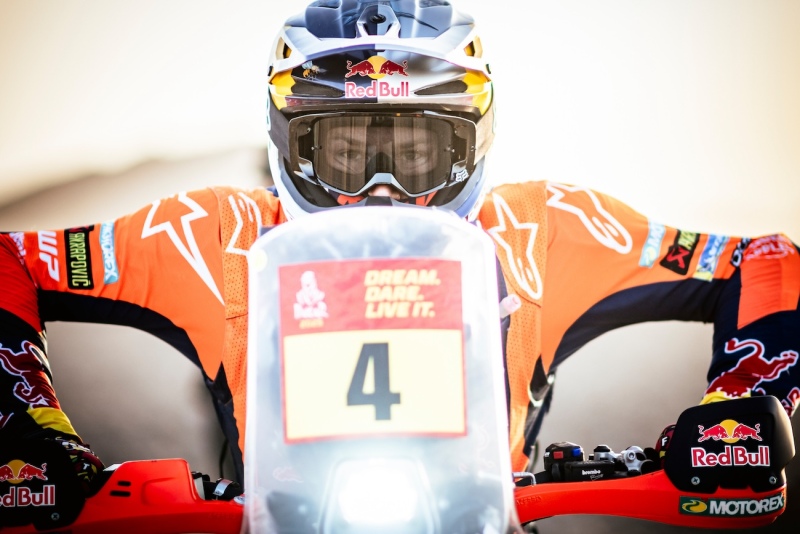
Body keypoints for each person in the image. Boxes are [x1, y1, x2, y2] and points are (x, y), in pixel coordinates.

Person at [1, 0, 798, 503]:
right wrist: (32, 424)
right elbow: (12, 258)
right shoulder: (213, 232)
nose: (381, 187)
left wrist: (738, 401)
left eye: (417, 153)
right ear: (290, 145)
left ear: (472, 147)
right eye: (347, 152)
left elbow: (762, 257)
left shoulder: (543, 223)